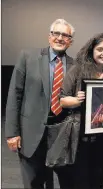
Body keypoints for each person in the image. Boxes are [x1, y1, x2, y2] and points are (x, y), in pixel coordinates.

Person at [5, 18, 75, 188]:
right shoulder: (28, 57)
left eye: (65, 35)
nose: (60, 38)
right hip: (31, 133)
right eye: (56, 33)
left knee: (66, 181)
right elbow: (15, 95)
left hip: (61, 134)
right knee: (33, 182)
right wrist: (11, 132)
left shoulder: (75, 65)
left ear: (70, 41)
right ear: (49, 36)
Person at [60, 32, 103, 188]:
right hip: (80, 138)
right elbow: (63, 100)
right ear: (91, 50)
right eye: (100, 49)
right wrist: (77, 100)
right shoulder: (77, 70)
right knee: (80, 179)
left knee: (98, 179)